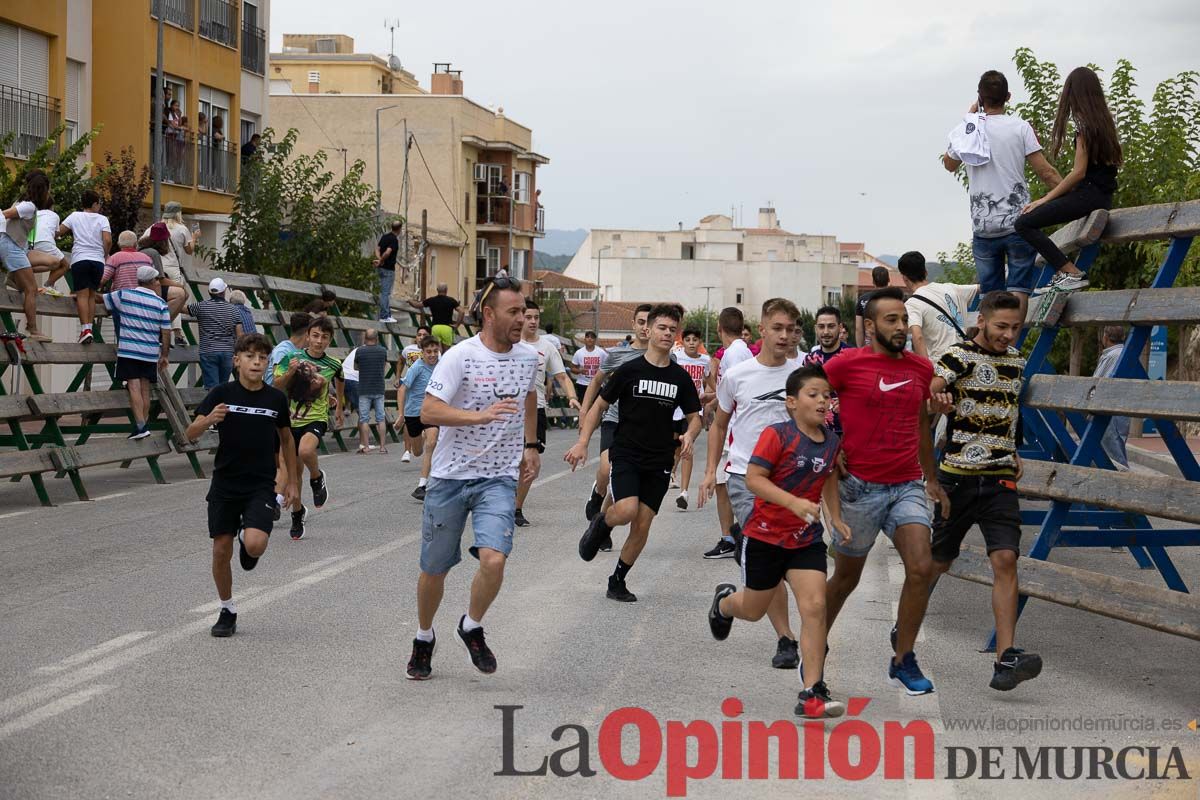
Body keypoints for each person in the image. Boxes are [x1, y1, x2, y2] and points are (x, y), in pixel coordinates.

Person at [406, 274, 540, 681]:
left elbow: (529, 396)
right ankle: (424, 636)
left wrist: (530, 445)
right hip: (449, 477)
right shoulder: (460, 356)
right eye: (513, 312)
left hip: (497, 478)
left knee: (495, 558)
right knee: (435, 569)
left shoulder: (528, 358)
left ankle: (471, 625)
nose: (521, 319)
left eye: (524, 311)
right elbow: (427, 412)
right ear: (488, 313)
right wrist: (476, 417)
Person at [821, 287, 950, 696]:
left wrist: (930, 478)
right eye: (891, 320)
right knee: (844, 579)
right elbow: (809, 402)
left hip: (906, 484)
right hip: (859, 487)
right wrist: (829, 447)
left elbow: (920, 426)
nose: (900, 327)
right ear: (871, 325)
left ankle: (903, 658)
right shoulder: (846, 365)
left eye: (902, 320)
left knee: (921, 567)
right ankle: (813, 646)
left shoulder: (920, 368)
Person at [707, 365, 852, 718]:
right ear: (791, 402)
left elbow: (829, 478)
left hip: (805, 540)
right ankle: (725, 602)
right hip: (765, 538)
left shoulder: (831, 441)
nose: (822, 401)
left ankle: (812, 690)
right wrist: (793, 502)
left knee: (815, 607)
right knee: (753, 611)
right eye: (813, 394)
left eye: (827, 396)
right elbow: (755, 479)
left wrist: (835, 517)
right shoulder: (777, 434)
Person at [927, 291, 1043, 690]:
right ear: (982, 321)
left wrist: (1015, 448)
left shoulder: (1016, 361)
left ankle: (1005, 659)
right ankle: (905, 627)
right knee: (938, 562)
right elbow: (935, 386)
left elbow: (1012, 409)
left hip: (999, 479)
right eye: (1000, 327)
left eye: (1015, 328)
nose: (1008, 335)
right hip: (957, 478)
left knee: (1006, 559)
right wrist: (938, 397)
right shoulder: (958, 356)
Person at [568, 303, 701, 603]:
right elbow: (600, 406)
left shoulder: (680, 378)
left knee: (642, 523)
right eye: (662, 328)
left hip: (660, 459)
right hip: (627, 452)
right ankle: (600, 524)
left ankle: (617, 580)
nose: (667, 334)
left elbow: (695, 416)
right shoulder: (630, 370)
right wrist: (583, 441)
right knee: (626, 510)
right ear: (650, 330)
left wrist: (690, 435)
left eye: (672, 330)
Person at [700, 298, 806, 668]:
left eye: (791, 329)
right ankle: (786, 639)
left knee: (795, 560)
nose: (784, 335)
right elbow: (719, 424)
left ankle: (729, 603)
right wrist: (711, 470)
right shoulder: (738, 375)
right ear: (761, 330)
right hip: (747, 478)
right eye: (777, 328)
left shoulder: (803, 372)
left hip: (795, 481)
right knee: (770, 553)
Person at [186, 333, 297, 638]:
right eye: (249, 356)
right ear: (236, 360)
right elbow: (190, 433)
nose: (256, 362)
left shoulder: (276, 398)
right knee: (220, 551)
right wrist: (209, 419)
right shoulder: (221, 393)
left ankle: (249, 542)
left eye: (262, 357)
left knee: (255, 545)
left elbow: (287, 440)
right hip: (225, 484)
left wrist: (293, 485)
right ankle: (227, 609)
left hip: (261, 484)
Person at [943, 71, 1061, 322]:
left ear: (980, 97)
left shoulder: (968, 129)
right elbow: (1046, 172)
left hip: (983, 227)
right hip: (1019, 222)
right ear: (1008, 97)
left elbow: (949, 164)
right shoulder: (1020, 128)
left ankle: (993, 350)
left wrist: (970, 119)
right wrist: (1068, 196)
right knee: (1018, 288)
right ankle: (1013, 345)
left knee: (990, 295)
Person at [1015, 67, 1122, 295]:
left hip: (1089, 195)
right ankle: (1066, 273)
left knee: (1023, 223)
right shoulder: (1105, 125)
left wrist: (1044, 200)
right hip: (1102, 196)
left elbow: (1078, 173)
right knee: (1030, 220)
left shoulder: (1084, 129)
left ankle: (1070, 272)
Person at [578, 304, 654, 545]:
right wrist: (584, 409)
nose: (644, 327)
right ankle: (597, 494)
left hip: (641, 428)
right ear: (633, 325)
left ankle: (601, 526)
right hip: (614, 419)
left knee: (617, 479)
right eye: (640, 322)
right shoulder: (617, 355)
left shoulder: (665, 356)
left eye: (648, 323)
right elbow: (596, 381)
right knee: (606, 469)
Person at [273, 316, 343, 541]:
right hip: (291, 420)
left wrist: (339, 405)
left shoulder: (334, 364)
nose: (319, 341)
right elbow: (277, 384)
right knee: (294, 473)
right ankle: (297, 513)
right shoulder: (291, 357)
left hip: (316, 418)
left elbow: (341, 380)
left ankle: (317, 477)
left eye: (324, 337)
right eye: (315, 336)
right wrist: (290, 372)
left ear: (330, 340)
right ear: (308, 336)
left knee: (305, 451)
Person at [514, 299, 580, 527]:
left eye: (536, 318)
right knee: (508, 460)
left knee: (528, 463)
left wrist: (572, 396)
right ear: (520, 317)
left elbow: (562, 376)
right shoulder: (509, 342)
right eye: (528, 317)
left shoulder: (547, 347)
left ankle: (516, 508)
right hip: (508, 409)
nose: (532, 321)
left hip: (536, 409)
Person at [699, 306, 754, 560]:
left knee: (726, 484)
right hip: (734, 426)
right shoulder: (741, 351)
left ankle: (733, 537)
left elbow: (737, 394)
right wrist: (712, 400)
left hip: (733, 431)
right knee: (724, 485)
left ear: (720, 328)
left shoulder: (733, 354)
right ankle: (732, 536)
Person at [101, 266, 171, 439]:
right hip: (150, 352)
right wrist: (164, 355)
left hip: (129, 351)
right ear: (152, 281)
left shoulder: (125, 295)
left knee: (133, 386)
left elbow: (102, 300)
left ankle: (140, 427)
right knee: (145, 388)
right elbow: (166, 332)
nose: (158, 283)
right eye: (156, 280)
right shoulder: (161, 303)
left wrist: (80, 296)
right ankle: (144, 424)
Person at [898, 250, 978, 363]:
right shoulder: (952, 288)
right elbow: (981, 288)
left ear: (905, 278)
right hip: (965, 358)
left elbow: (918, 337)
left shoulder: (912, 304)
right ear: (926, 272)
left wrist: (926, 368)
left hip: (942, 364)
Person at [0, 170, 53, 341]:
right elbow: (4, 215)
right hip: (12, 246)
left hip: (18, 247)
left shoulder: (25, 203)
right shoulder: (27, 206)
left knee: (55, 262)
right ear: (43, 190)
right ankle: (33, 330)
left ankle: (14, 277)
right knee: (31, 289)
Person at [57, 190, 112, 344]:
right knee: (91, 296)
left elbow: (59, 231)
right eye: (99, 203)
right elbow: (107, 240)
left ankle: (85, 329)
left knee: (81, 295)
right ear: (94, 204)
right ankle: (90, 330)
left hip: (80, 259)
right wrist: (104, 255)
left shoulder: (75, 216)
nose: (100, 206)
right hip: (97, 261)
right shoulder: (103, 219)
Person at [396, 336, 441, 500]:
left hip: (431, 412)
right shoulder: (417, 367)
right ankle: (421, 435)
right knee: (417, 451)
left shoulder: (441, 366)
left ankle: (422, 485)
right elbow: (402, 390)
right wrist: (401, 414)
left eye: (435, 351)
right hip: (413, 413)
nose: (432, 355)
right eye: (428, 352)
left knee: (432, 442)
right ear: (422, 353)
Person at [672, 328, 711, 511]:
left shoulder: (705, 361)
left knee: (687, 446)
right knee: (674, 447)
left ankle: (684, 492)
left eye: (695, 339)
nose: (692, 343)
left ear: (699, 342)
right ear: (683, 342)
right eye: (688, 339)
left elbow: (713, 384)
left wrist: (709, 397)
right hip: (673, 409)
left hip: (693, 411)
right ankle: (671, 472)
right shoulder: (676, 357)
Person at [188, 278, 242, 389]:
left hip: (208, 351)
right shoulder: (234, 310)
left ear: (209, 292)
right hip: (227, 352)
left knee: (212, 388)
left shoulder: (201, 306)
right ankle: (221, 404)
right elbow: (240, 335)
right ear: (224, 292)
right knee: (223, 387)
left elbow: (183, 309)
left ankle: (214, 405)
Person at [804, 305, 851, 433]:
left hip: (848, 432)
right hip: (817, 432)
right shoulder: (809, 360)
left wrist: (848, 403)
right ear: (815, 329)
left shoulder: (854, 357)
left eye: (831, 326)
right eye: (821, 327)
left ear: (840, 328)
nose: (825, 332)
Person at [138, 222, 188, 339]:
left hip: (143, 286)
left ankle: (160, 324)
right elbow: (161, 280)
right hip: (150, 287)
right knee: (181, 294)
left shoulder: (143, 249)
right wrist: (180, 285)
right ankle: (160, 326)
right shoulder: (153, 253)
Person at [158, 202, 197, 343]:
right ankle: (177, 334)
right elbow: (189, 250)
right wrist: (195, 238)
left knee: (162, 297)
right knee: (178, 298)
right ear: (178, 213)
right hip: (173, 268)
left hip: (157, 267)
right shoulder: (182, 229)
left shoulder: (154, 227)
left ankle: (163, 329)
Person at [1093, 325, 1131, 470]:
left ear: (1106, 337)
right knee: (1115, 447)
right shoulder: (1123, 353)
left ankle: (1123, 483)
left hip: (1110, 411)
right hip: (1120, 410)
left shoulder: (1113, 356)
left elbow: (1098, 382)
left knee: (1114, 453)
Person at [354, 329, 391, 455]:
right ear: (377, 338)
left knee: (364, 419)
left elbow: (355, 367)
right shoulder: (382, 351)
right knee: (380, 418)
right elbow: (384, 365)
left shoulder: (360, 351)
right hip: (379, 388)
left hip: (364, 388)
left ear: (365, 337)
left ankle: (366, 446)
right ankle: (382, 447)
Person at [27, 203, 69, 294]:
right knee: (64, 265)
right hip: (46, 241)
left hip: (31, 242)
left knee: (54, 260)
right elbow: (56, 234)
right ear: (51, 206)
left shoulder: (36, 213)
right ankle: (48, 285)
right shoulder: (55, 215)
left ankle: (25, 270)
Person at [408, 283, 462, 350]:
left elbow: (417, 305)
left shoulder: (432, 300)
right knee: (446, 353)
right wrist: (457, 324)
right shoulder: (451, 300)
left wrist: (410, 301)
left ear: (437, 290)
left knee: (436, 351)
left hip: (435, 328)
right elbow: (461, 311)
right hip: (447, 328)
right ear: (446, 290)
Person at [266, 312, 312, 386]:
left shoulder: (303, 351)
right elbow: (276, 384)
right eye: (315, 334)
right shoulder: (282, 351)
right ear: (307, 333)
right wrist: (289, 373)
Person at [854, 265, 891, 348]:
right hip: (889, 346)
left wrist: (860, 348)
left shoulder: (863, 299)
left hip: (869, 346)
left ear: (873, 281)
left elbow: (858, 328)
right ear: (888, 280)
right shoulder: (894, 299)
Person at [569, 330, 606, 407]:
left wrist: (602, 374)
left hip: (597, 384)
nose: (589, 339)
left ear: (595, 340)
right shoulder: (579, 353)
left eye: (592, 337)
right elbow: (572, 368)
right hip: (583, 384)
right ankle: (583, 419)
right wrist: (580, 371)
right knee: (583, 407)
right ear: (584, 339)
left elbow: (608, 366)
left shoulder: (601, 352)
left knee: (597, 407)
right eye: (587, 337)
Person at [374, 220, 401, 322]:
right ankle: (384, 316)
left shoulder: (385, 237)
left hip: (381, 269)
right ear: (399, 229)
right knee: (385, 293)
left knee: (383, 291)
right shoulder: (394, 240)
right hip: (388, 269)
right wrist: (381, 260)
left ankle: (388, 314)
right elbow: (388, 252)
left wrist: (379, 259)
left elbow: (377, 248)